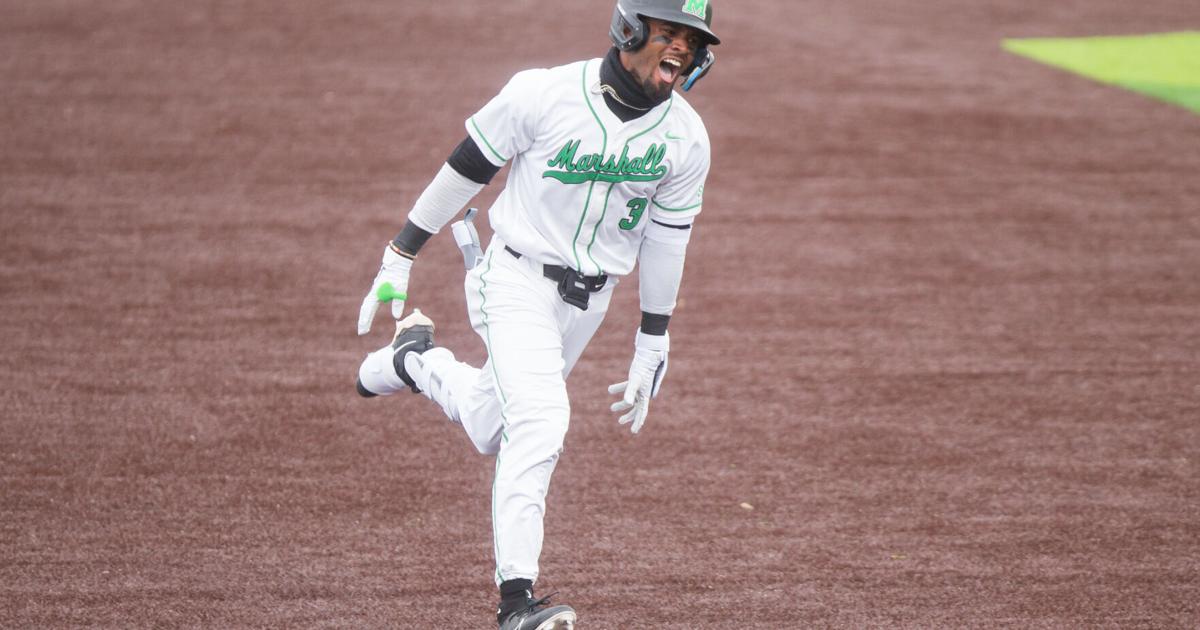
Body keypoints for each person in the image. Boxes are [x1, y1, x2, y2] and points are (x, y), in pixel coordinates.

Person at [354, 1, 719, 627]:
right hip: (514, 278)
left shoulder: (686, 138)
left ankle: (415, 361)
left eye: (694, 39)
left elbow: (668, 240)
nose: (682, 48)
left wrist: (652, 339)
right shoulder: (544, 94)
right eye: (670, 33)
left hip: (589, 303)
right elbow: (466, 168)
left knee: (492, 426)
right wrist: (400, 253)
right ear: (630, 28)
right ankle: (517, 603)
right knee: (543, 422)